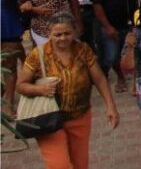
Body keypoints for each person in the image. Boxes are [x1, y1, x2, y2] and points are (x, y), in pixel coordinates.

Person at [17, 12, 119, 169]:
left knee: (80, 164)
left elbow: (99, 79)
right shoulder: (38, 55)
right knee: (60, 165)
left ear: (74, 31)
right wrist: (40, 89)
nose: (62, 38)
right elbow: (21, 85)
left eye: (67, 33)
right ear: (49, 33)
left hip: (79, 116)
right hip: (49, 120)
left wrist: (111, 106)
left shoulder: (83, 50)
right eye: (57, 34)